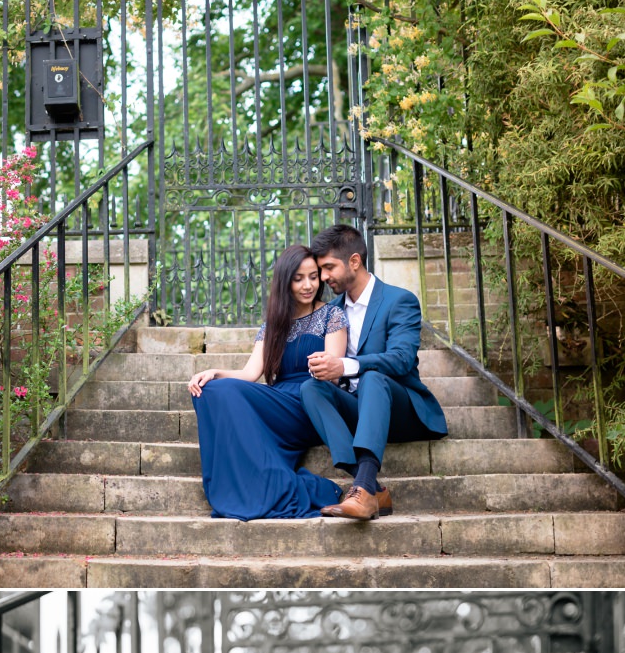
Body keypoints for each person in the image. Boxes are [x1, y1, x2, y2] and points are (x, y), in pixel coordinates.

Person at [187, 245, 347, 519]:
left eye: (313, 276)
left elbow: (334, 370)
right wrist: (213, 372)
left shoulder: (332, 316)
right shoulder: (273, 325)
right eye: (298, 279)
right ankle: (251, 482)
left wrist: (323, 363)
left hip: (311, 400)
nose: (308, 285)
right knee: (211, 390)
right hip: (277, 401)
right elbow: (250, 374)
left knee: (230, 394)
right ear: (285, 282)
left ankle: (281, 487)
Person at [301, 222, 447, 521]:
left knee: (373, 375)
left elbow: (402, 359)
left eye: (329, 267)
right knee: (310, 388)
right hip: (360, 411)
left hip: (401, 410)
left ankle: (364, 488)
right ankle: (368, 485)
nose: (323, 277)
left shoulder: (399, 300)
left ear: (354, 261)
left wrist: (346, 365)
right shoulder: (331, 311)